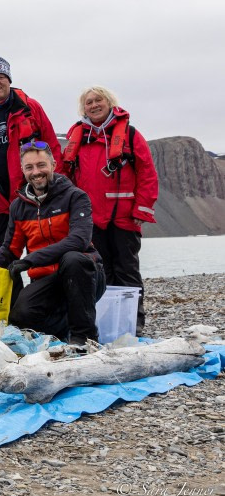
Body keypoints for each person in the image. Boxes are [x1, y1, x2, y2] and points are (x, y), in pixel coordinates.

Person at [60, 86, 158, 335]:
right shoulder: (78, 138)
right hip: (91, 221)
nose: (94, 105)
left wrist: (142, 209)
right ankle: (104, 324)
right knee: (99, 274)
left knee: (127, 271)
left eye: (98, 100)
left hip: (124, 217)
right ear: (84, 109)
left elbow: (147, 173)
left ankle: (133, 325)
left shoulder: (131, 135)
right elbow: (65, 175)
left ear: (110, 102)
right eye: (88, 102)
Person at [0, 142, 106, 344]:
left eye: (41, 165)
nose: (36, 172)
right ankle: (61, 332)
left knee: (72, 259)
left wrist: (31, 260)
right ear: (23, 171)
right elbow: (10, 250)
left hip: (86, 275)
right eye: (29, 167)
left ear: (53, 164)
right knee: (20, 316)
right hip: (46, 281)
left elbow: (78, 240)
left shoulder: (76, 197)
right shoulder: (18, 207)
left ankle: (85, 337)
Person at [0, 56, 61, 251]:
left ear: (9, 80)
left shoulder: (31, 108)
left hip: (31, 193)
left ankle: (42, 282)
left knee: (41, 252)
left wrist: (57, 185)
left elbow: (53, 147)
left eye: (1, 77)